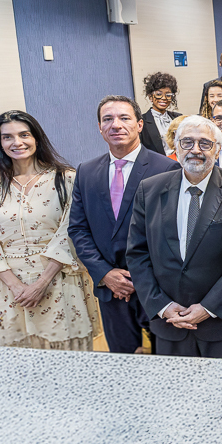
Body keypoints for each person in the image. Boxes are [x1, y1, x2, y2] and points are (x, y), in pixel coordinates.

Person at [126, 115, 222, 359]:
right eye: (187, 142)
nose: (195, 150)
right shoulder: (149, 190)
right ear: (175, 147)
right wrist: (163, 307)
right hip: (170, 323)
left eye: (205, 144)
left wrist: (208, 307)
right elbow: (137, 254)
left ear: (218, 150)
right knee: (177, 396)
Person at [0, 111, 98, 351]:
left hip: (58, 280)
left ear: (37, 138)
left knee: (67, 360)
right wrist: (16, 286)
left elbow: (72, 232)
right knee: (18, 363)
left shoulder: (66, 178)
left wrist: (42, 282)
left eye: (24, 135)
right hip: (9, 288)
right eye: (7, 137)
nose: (17, 142)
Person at [68, 96, 180, 354]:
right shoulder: (86, 171)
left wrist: (139, 278)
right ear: (99, 127)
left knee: (167, 362)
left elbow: (173, 233)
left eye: (124, 118)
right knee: (122, 363)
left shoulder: (167, 169)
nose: (116, 125)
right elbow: (78, 229)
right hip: (110, 289)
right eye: (108, 119)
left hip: (157, 289)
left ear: (140, 125)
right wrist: (105, 273)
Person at [141, 72, 182, 154]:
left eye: (168, 95)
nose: (164, 98)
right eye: (159, 94)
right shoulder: (142, 121)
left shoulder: (179, 118)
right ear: (150, 97)